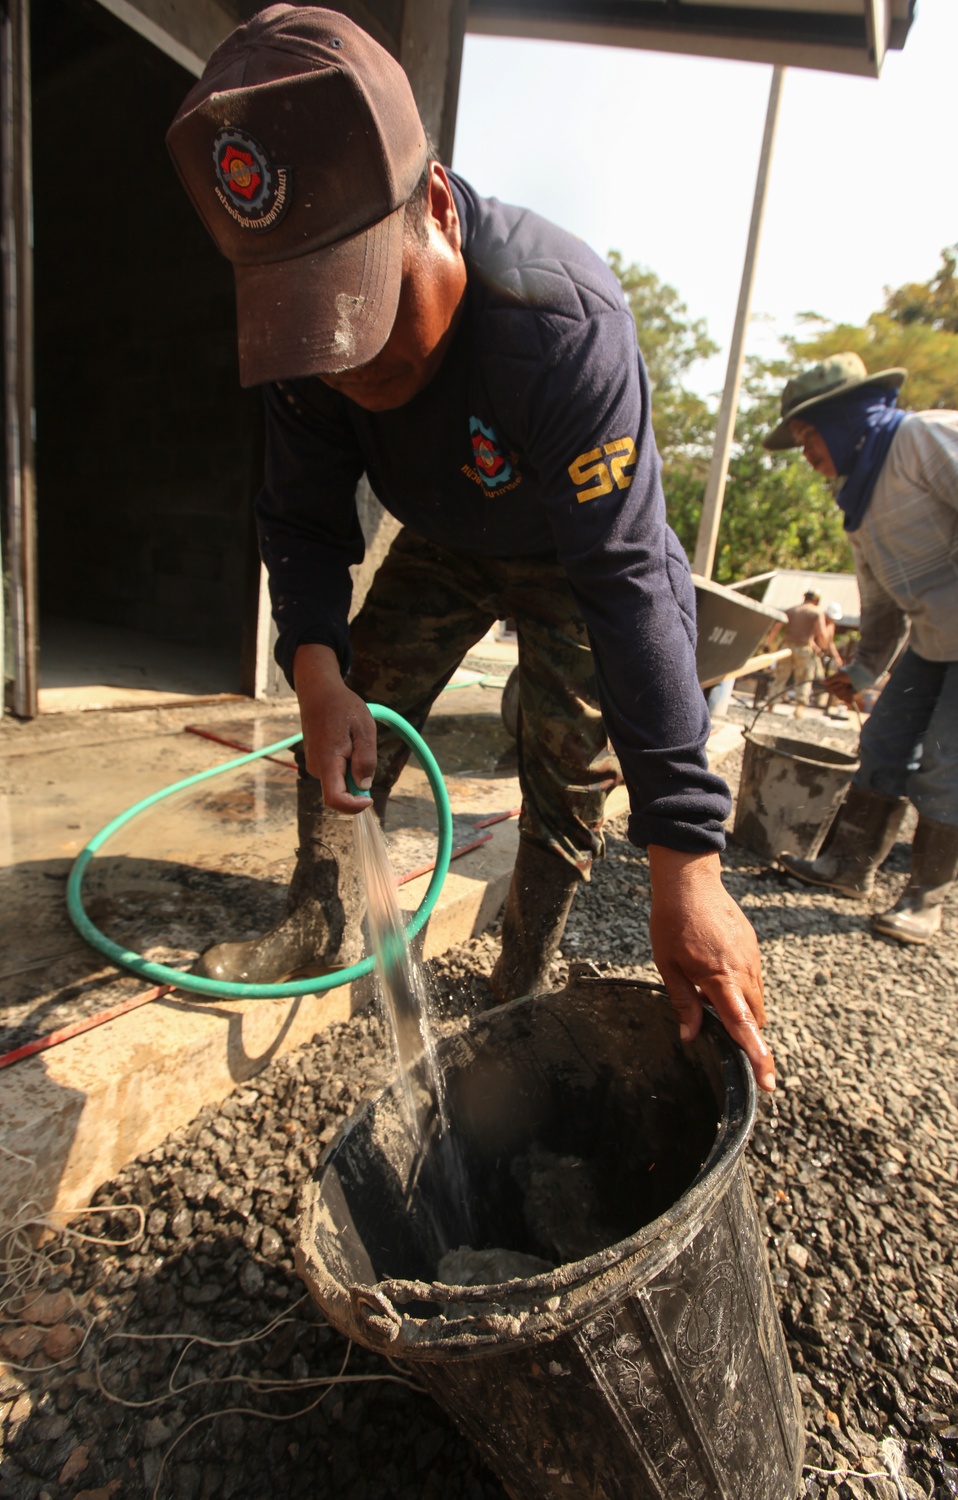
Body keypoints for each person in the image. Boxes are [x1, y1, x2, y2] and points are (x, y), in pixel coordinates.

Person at [165, 5, 773, 1090]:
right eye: (318, 333)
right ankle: (317, 913)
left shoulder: (558, 322)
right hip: (445, 537)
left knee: (568, 766)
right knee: (353, 695)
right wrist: (312, 668)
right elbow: (300, 520)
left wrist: (688, 861)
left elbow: (631, 584)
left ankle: (522, 970)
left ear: (436, 206)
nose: (351, 371)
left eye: (370, 311)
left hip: (570, 555)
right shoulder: (306, 357)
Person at [763, 352, 958, 944]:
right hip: (931, 642)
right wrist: (865, 668)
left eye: (811, 434)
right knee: (884, 741)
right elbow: (885, 602)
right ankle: (848, 865)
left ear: (849, 419)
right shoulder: (858, 503)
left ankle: (924, 899)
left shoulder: (925, 438)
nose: (808, 452)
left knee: (954, 763)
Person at [766, 589, 825, 718]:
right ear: (816, 600)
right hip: (804, 648)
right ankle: (799, 708)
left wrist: (768, 645)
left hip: (786, 647)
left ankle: (771, 705)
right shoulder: (816, 612)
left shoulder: (792, 610)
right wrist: (823, 647)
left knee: (780, 676)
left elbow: (776, 628)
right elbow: (821, 633)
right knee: (803, 679)